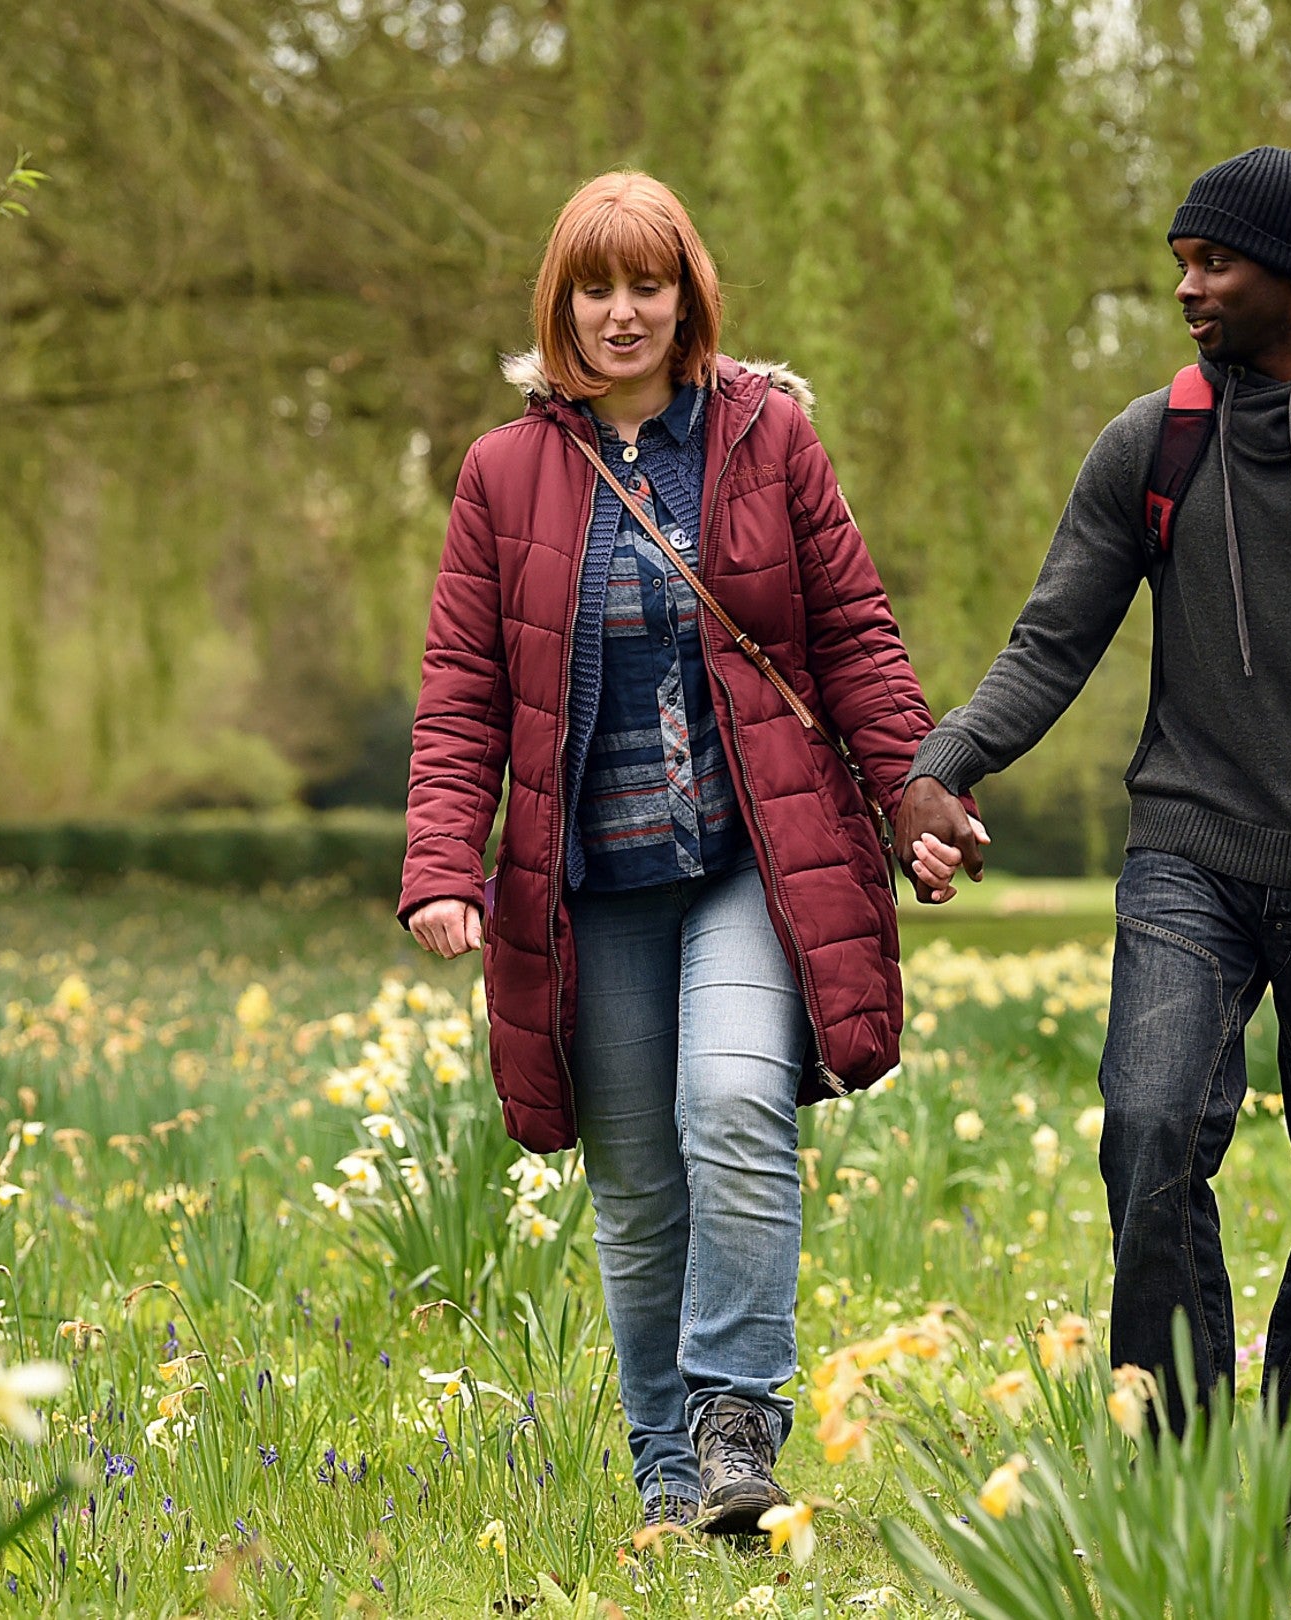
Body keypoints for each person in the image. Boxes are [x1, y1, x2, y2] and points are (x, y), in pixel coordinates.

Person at [896, 147, 1291, 1500]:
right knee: (1151, 1128)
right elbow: (1054, 637)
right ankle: (1179, 1479)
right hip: (1192, 860)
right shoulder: (1156, 440)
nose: (1185, 286)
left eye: (1209, 261)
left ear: (1289, 269)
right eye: (1181, 260)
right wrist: (943, 763)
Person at [397, 171, 964, 1535]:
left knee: (730, 1106)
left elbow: (856, 637)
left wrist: (917, 794)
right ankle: (667, 1472)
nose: (621, 311)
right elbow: (465, 686)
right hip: (590, 884)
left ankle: (734, 1417)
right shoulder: (502, 473)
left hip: (745, 862)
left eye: (646, 283)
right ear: (562, 305)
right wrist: (439, 864)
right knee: (639, 1181)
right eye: (595, 287)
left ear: (688, 293)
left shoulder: (769, 441)